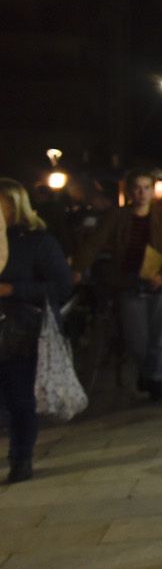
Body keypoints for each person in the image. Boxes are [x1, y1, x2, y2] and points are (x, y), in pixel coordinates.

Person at [73, 169, 162, 401]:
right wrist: (78, 267)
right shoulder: (118, 216)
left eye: (146, 188)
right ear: (130, 191)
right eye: (137, 188)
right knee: (137, 339)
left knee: (160, 337)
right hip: (129, 282)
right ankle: (146, 372)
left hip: (157, 282)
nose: (141, 193)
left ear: (152, 190)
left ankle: (156, 380)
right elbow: (95, 242)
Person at [0, 179, 73, 483]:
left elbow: (60, 285)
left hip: (20, 331)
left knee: (19, 397)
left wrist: (14, 288)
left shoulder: (38, 242)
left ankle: (21, 456)